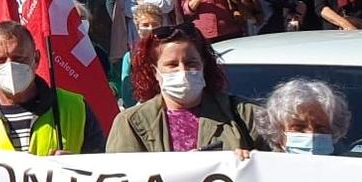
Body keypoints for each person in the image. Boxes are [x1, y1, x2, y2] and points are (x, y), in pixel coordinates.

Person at [0, 21, 106, 155]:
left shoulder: (76, 107)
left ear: (36, 58)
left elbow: (101, 171)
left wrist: (79, 168)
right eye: (0, 60)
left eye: (18, 58)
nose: (10, 66)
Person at [105, 26, 263, 155]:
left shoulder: (245, 114)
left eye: (191, 63)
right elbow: (124, 180)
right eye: (172, 65)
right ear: (154, 72)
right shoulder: (130, 123)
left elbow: (278, 169)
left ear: (204, 64)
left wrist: (252, 163)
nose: (183, 71)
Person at [258, 77, 351, 154]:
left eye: (321, 129)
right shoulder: (261, 169)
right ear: (278, 133)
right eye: (299, 128)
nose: (311, 135)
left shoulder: (350, 168)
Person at [115, 1, 171, 105]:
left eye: (154, 24)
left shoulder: (170, 52)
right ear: (138, 28)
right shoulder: (130, 57)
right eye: (145, 25)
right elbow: (127, 94)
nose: (150, 28)